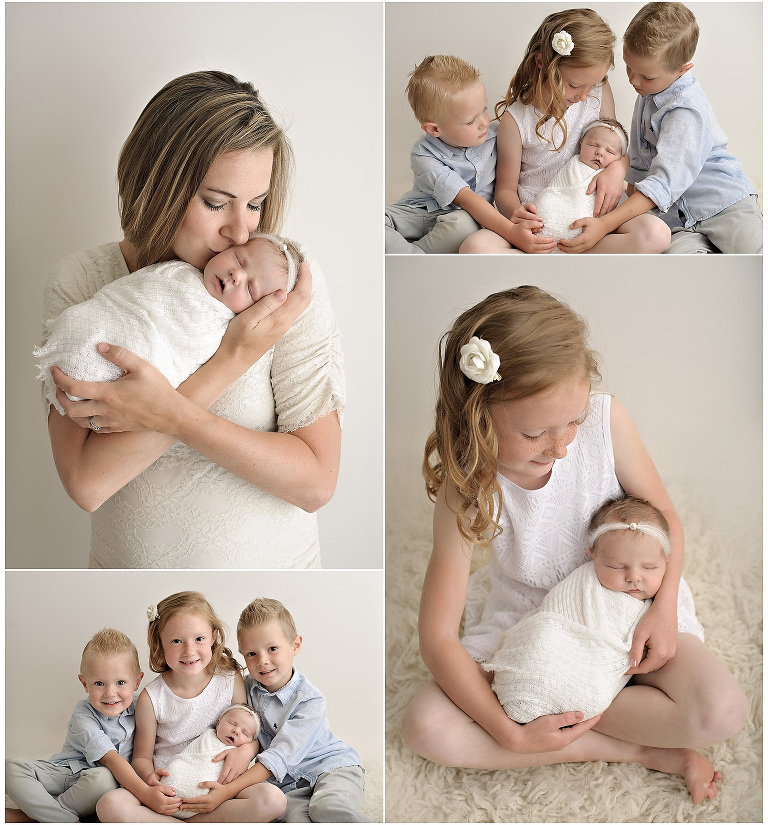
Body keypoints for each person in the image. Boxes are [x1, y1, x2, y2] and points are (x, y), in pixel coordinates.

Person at [401, 286, 746, 805]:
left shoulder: (606, 423)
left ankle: (575, 707)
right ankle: (643, 752)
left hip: (629, 603)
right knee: (425, 728)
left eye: (573, 422)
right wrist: (510, 731)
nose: (562, 446)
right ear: (479, 415)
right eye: (538, 432)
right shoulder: (466, 486)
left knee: (722, 712)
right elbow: (438, 637)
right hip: (533, 624)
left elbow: (666, 518)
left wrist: (664, 606)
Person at [42, 70, 345, 569]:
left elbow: (316, 483)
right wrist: (229, 363)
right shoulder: (86, 281)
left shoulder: (277, 282)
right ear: (156, 182)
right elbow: (87, 482)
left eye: (255, 204)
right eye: (215, 202)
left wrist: (175, 411)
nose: (241, 229)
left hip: (276, 583)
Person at [458, 9, 670, 254]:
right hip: (541, 221)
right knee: (475, 247)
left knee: (657, 234)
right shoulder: (515, 120)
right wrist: (519, 221)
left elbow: (616, 144)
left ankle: (577, 248)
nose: (583, 96)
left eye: (592, 85)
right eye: (575, 85)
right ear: (542, 64)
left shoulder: (596, 93)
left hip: (593, 218)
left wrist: (618, 169)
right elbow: (505, 190)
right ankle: (553, 251)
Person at [36, 234, 300, 415]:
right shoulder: (179, 270)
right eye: (239, 260)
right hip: (101, 324)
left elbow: (180, 360)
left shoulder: (219, 328)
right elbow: (130, 293)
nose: (236, 274)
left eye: (251, 289)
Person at [96, 592, 286, 822]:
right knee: (109, 804)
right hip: (170, 792)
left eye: (199, 639)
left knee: (273, 800)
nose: (189, 651)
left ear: (214, 636)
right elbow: (141, 758)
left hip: (218, 791)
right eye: (176, 641)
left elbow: (248, 727)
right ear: (160, 642)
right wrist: (150, 780)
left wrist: (248, 750)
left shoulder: (229, 678)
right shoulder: (152, 697)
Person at [486, 496, 670, 724]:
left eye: (649, 567)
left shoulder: (661, 602)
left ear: (666, 562)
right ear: (593, 555)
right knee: (542, 639)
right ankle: (529, 692)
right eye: (617, 566)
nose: (634, 577)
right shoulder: (582, 582)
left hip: (592, 678)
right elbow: (551, 617)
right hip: (552, 649)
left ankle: (561, 702)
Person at [600, 2, 762, 254]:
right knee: (680, 269)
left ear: (683, 69)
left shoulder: (687, 109)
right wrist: (628, 216)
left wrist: (605, 224)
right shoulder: (646, 93)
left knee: (755, 255)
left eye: (646, 76)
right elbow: (640, 163)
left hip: (723, 204)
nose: (633, 80)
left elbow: (664, 182)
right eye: (629, 67)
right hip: (677, 220)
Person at [4, 628, 166, 822]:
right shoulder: (83, 714)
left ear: (137, 681)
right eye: (99, 683)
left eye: (121, 682)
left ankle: (34, 817)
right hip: (65, 773)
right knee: (11, 767)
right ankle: (59, 817)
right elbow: (111, 760)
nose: (110, 693)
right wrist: (146, 793)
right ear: (84, 683)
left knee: (103, 779)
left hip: (102, 784)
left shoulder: (144, 706)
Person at [236, 598, 371, 822]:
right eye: (251, 654)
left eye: (272, 649)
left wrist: (229, 789)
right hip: (289, 784)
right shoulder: (245, 690)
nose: (262, 661)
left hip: (332, 768)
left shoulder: (310, 700)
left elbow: (278, 757)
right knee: (295, 819)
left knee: (327, 808)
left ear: (295, 645)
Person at [385, 55, 502, 254]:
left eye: (484, 110)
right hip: (419, 212)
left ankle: (412, 254)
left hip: (461, 219)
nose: (484, 122)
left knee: (463, 225)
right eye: (471, 121)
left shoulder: (499, 135)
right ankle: (413, 255)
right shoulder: (423, 153)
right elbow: (464, 198)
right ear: (434, 129)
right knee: (367, 218)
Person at [533, 118, 630, 247]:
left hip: (593, 228)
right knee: (545, 201)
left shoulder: (613, 177)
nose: (600, 152)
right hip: (559, 207)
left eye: (610, 151)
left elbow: (617, 203)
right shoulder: (574, 164)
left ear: (619, 158)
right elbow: (556, 192)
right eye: (593, 145)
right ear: (581, 145)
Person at [160, 704, 261, 820]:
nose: (236, 731)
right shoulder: (207, 737)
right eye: (232, 724)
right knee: (174, 770)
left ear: (250, 741)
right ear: (218, 722)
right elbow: (187, 759)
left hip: (209, 802)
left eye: (245, 733)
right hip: (171, 788)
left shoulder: (242, 756)